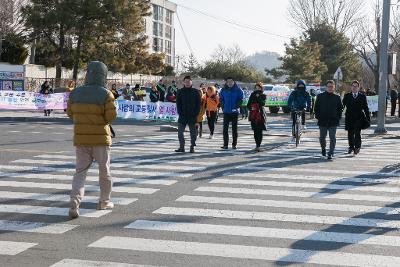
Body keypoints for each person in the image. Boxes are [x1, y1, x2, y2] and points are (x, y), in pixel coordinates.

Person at [66, 61, 117, 219]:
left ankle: (75, 201)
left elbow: (70, 113)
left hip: (81, 139)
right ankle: (104, 201)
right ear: (103, 75)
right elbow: (111, 116)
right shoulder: (106, 94)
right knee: (104, 172)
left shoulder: (75, 93)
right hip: (101, 140)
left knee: (80, 172)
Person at [314, 80, 343, 160]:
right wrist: (318, 116)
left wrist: (338, 117)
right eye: (328, 86)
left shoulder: (337, 97)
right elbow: (316, 108)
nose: (330, 88)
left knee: (332, 137)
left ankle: (331, 152)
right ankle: (323, 149)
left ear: (334, 87)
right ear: (326, 87)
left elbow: (340, 108)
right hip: (322, 120)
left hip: (333, 121)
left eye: (331, 86)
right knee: (322, 138)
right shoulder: (320, 96)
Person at [342, 80, 370, 155]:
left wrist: (368, 118)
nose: (354, 88)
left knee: (357, 133)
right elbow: (342, 106)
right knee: (350, 133)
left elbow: (366, 108)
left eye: (356, 86)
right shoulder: (347, 96)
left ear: (358, 88)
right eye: (353, 86)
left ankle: (357, 147)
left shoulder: (362, 96)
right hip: (349, 117)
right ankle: (351, 147)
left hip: (359, 117)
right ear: (351, 87)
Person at [175, 76, 201, 153]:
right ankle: (181, 147)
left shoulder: (196, 92)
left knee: (193, 133)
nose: (187, 83)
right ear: (183, 82)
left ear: (191, 82)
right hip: (182, 116)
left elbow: (198, 104)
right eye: (186, 81)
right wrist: (180, 112)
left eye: (189, 81)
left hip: (192, 116)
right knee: (180, 132)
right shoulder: (180, 91)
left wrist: (195, 114)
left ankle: (192, 146)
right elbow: (178, 104)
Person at [220, 77, 244, 149]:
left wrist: (237, 106)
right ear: (226, 83)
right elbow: (221, 99)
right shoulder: (223, 90)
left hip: (234, 112)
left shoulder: (238, 90)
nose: (229, 83)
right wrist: (223, 107)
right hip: (226, 112)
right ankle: (225, 144)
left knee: (234, 129)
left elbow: (241, 99)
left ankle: (234, 144)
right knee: (225, 129)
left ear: (234, 82)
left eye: (231, 81)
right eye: (228, 82)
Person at [247, 82, 267, 152]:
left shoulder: (263, 95)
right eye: (256, 88)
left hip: (260, 114)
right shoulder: (252, 95)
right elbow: (248, 104)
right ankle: (257, 145)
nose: (257, 89)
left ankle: (259, 145)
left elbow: (263, 103)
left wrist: (258, 97)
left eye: (259, 87)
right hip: (253, 114)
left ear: (261, 88)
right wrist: (251, 108)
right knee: (255, 130)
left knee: (260, 130)